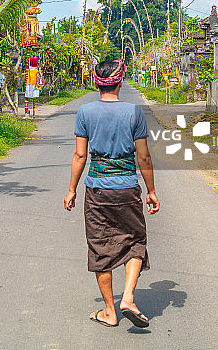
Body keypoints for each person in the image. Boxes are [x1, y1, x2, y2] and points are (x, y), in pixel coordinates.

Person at [64, 59, 160, 328]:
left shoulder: (85, 112)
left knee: (100, 246)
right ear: (120, 82)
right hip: (127, 187)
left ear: (96, 83)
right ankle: (127, 298)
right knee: (135, 240)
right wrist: (151, 191)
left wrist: (71, 190)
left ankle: (109, 311)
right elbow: (143, 157)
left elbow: (80, 155)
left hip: (97, 189)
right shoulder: (134, 112)